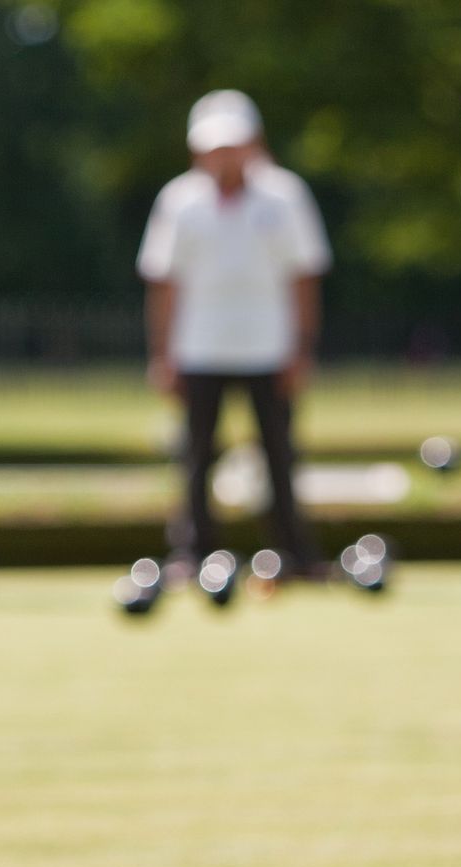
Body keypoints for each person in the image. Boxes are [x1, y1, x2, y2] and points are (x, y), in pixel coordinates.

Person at [139, 91, 332, 578]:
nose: (223, 157)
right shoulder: (178, 201)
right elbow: (164, 282)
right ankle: (192, 554)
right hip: (198, 346)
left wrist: (301, 348)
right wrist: (162, 354)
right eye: (213, 147)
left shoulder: (285, 196)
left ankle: (295, 553)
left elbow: (304, 275)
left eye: (233, 145)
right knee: (196, 455)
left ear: (253, 144)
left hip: (270, 346)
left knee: (279, 453)